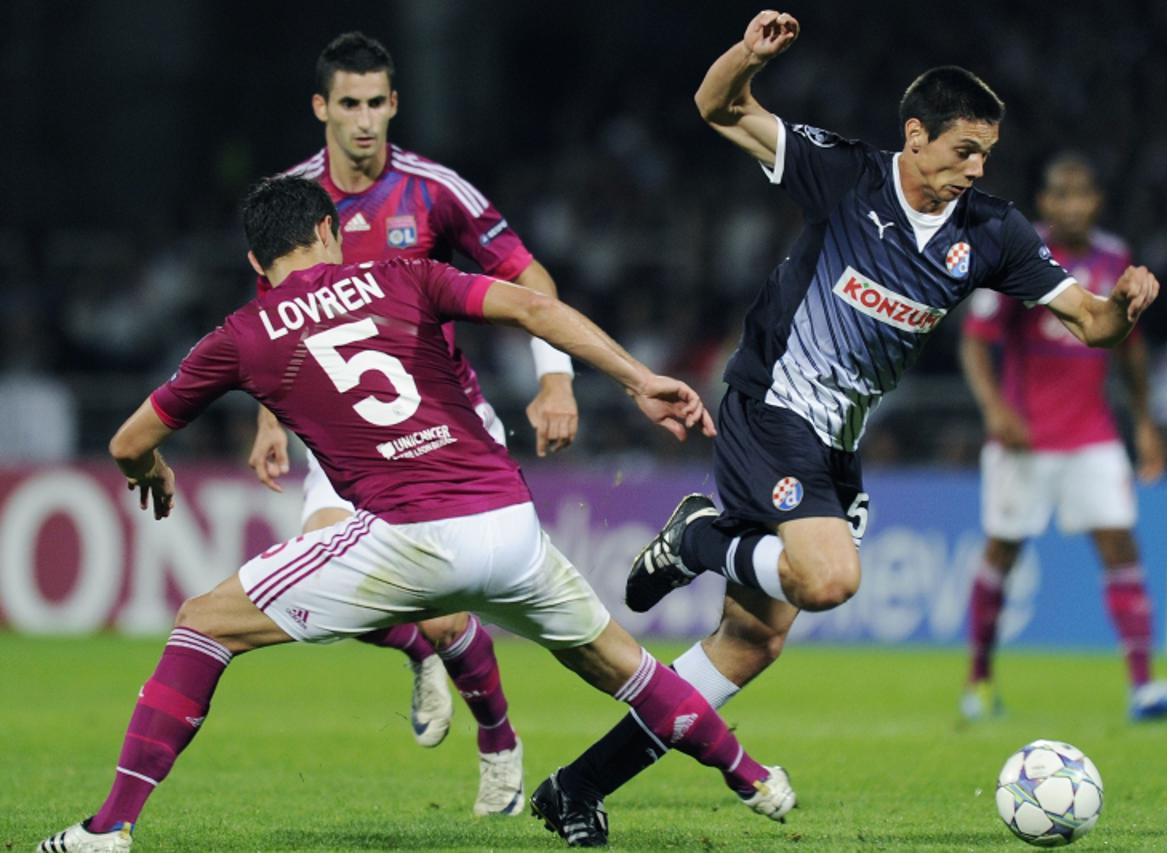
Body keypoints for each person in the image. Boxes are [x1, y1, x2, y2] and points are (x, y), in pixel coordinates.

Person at [529, 11, 1161, 846]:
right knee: (829, 578)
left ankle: (575, 788)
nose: (975, 169)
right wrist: (744, 60)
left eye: (986, 156)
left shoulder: (993, 232)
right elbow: (718, 107)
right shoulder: (846, 175)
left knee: (749, 643)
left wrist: (1121, 306)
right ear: (915, 134)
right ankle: (700, 539)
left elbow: (1089, 321)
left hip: (836, 441)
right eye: (963, 150)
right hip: (772, 405)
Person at [36, 176, 795, 853]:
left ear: (254, 264)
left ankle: (108, 828)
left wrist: (152, 468)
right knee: (626, 667)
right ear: (331, 232)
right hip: (510, 526)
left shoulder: (240, 336)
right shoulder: (406, 275)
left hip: (408, 534)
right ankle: (755, 776)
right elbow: (534, 304)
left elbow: (128, 439)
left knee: (205, 620)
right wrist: (636, 378)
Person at [247, 32, 579, 815]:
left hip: (435, 425)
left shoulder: (433, 191)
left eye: (378, 104)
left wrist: (554, 376)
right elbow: (275, 321)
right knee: (323, 586)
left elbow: (529, 278)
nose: (365, 122)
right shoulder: (290, 201)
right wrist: (271, 421)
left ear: (394, 104)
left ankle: (498, 739)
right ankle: (420, 650)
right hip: (338, 435)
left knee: (447, 603)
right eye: (349, 105)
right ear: (321, 107)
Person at [959, 153, 1167, 722]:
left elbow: (1132, 350)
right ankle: (979, 684)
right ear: (1044, 202)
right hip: (1025, 437)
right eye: (1060, 194)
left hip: (1091, 433)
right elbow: (975, 341)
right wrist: (995, 410)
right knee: (1002, 551)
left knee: (1120, 544)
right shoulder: (1018, 252)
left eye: (1081, 194)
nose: (1071, 205)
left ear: (1097, 201)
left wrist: (1143, 422)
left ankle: (1143, 685)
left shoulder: (1116, 259)